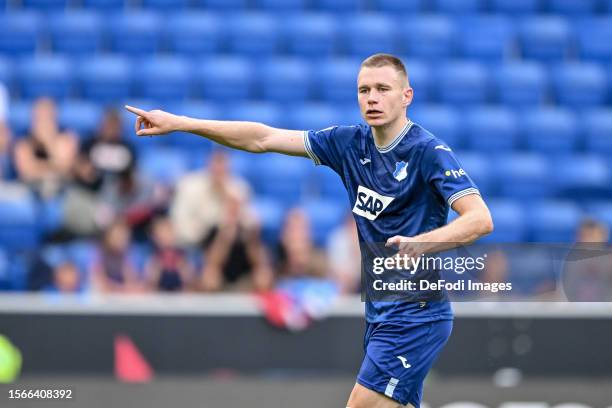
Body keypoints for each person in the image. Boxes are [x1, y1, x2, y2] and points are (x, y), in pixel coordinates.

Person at [125, 53, 493, 408]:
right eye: (364, 90)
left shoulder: (429, 151)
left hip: (416, 314)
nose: (372, 98)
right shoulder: (349, 143)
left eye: (383, 88)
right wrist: (182, 123)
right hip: (382, 312)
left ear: (406, 96)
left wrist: (422, 243)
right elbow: (262, 138)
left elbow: (480, 219)